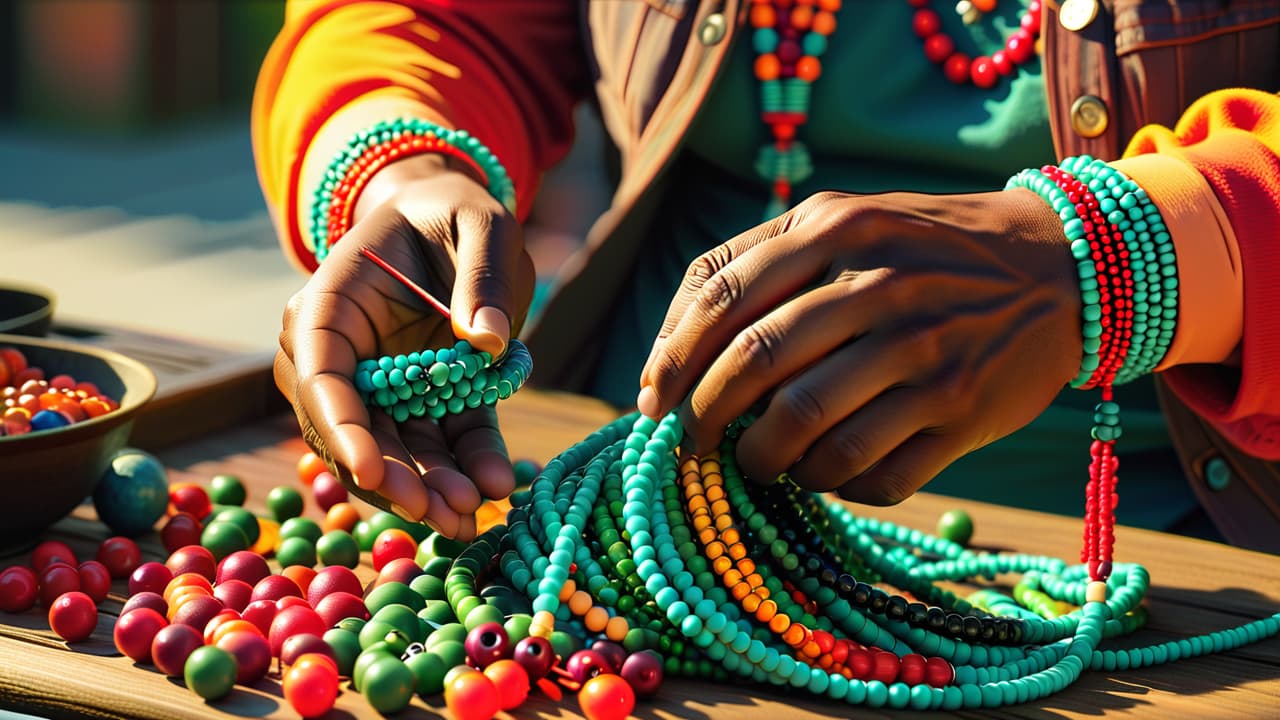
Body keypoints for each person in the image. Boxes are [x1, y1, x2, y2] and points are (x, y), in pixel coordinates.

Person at [252, 0, 1280, 547]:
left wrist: (1118, 253)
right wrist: (398, 163)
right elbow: (436, 19)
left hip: (1169, 568)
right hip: (619, 531)